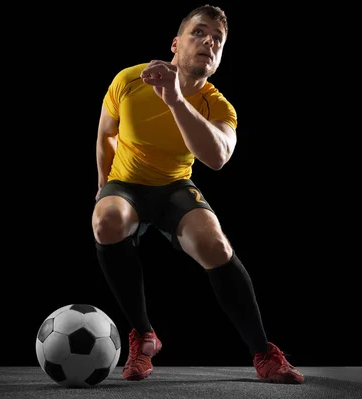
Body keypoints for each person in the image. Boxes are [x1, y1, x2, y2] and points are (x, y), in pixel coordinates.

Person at [91, 4, 304, 385]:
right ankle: (144, 336)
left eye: (218, 40)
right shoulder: (130, 79)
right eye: (199, 33)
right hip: (127, 184)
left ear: (219, 58)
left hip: (174, 187)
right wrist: (103, 184)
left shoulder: (218, 105)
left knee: (215, 245)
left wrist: (175, 99)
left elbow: (218, 156)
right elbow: (107, 131)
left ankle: (264, 353)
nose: (209, 42)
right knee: (105, 220)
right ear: (175, 44)